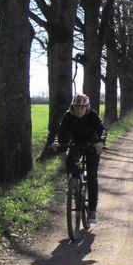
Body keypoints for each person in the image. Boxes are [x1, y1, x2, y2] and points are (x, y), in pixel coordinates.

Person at [51, 93, 107, 223]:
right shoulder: (68, 116)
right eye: (77, 107)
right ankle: (74, 187)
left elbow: (102, 130)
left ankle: (92, 210)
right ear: (73, 107)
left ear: (87, 107)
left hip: (92, 146)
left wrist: (101, 142)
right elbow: (60, 132)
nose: (79, 110)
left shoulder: (92, 115)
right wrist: (56, 142)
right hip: (75, 144)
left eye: (82, 107)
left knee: (92, 175)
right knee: (71, 165)